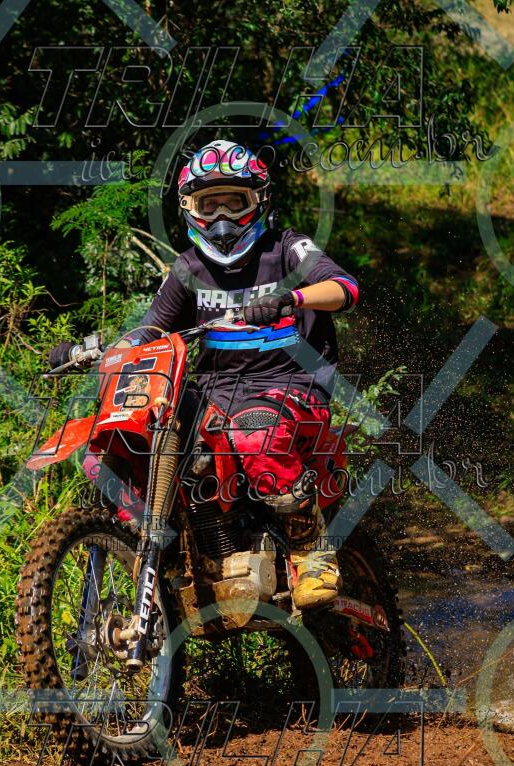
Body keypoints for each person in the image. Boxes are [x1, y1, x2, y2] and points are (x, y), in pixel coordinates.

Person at [50, 140, 359, 609]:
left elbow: (345, 287)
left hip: (290, 387)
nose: (221, 218)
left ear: (258, 201)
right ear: (189, 209)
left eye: (233, 202)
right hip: (214, 391)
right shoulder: (188, 268)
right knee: (118, 443)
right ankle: (163, 547)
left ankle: (310, 548)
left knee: (254, 434)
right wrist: (96, 353)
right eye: (208, 205)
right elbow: (151, 330)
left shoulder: (286, 249)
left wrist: (290, 298)